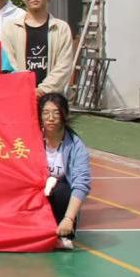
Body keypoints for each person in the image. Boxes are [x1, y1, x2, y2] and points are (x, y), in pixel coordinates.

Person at [0, 0, 75, 98]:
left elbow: (64, 65)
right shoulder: (11, 28)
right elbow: (9, 62)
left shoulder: (61, 28)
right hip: (20, 95)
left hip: (51, 98)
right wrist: (26, 89)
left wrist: (42, 90)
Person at [39, 93, 91, 250]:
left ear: (64, 115)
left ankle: (63, 233)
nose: (51, 118)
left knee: (62, 190)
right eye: (46, 113)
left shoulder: (76, 146)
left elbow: (81, 184)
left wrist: (69, 218)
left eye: (56, 113)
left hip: (59, 198)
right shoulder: (30, 139)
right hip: (36, 194)